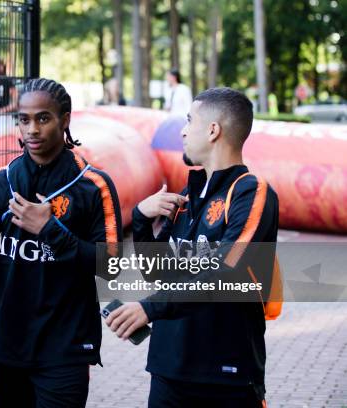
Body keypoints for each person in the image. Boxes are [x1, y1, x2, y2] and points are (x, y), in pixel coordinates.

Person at [0, 78, 123, 407]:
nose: (32, 129)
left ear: (65, 120)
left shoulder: (93, 186)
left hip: (67, 349)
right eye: (24, 119)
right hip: (12, 345)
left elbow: (112, 268)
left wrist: (50, 230)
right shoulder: (0, 184)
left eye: (43, 118)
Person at [106, 87, 278, 407]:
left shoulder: (251, 193)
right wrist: (141, 219)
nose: (183, 131)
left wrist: (149, 308)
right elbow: (159, 276)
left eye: (189, 120)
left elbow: (226, 271)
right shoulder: (188, 195)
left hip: (227, 375)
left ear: (213, 130)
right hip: (169, 371)